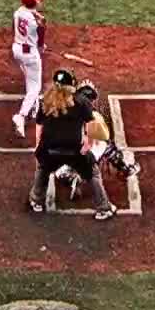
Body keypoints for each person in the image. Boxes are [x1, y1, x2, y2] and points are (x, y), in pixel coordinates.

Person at [30, 69, 116, 220]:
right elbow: (90, 124)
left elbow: (39, 125)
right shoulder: (81, 102)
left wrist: (38, 146)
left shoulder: (45, 100)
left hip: (49, 149)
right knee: (93, 173)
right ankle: (103, 208)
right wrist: (87, 145)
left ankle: (37, 201)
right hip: (74, 150)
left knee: (42, 168)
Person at [11, 0, 47, 138]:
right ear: (34, 1)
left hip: (17, 50)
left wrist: (37, 16)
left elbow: (30, 13)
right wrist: (42, 44)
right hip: (30, 55)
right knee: (35, 87)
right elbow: (41, 39)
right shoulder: (36, 24)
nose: (40, 0)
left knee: (30, 78)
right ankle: (21, 115)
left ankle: (34, 107)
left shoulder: (18, 12)